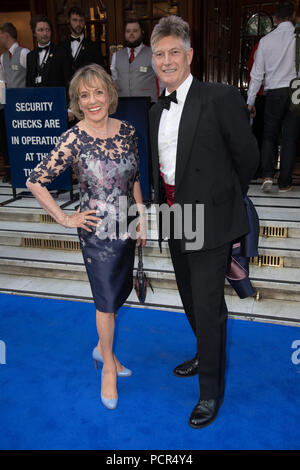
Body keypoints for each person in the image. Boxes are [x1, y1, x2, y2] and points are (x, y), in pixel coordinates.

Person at [150, 15, 259, 428]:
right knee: (189, 296)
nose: (166, 60)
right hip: (175, 215)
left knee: (210, 304)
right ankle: (203, 353)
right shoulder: (155, 107)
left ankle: (211, 392)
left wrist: (222, 199)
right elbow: (163, 169)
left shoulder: (220, 97)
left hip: (209, 218)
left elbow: (247, 158)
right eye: (159, 54)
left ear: (189, 54)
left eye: (174, 52)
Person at [26, 64, 146, 410]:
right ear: (77, 103)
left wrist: (141, 216)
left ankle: (101, 346)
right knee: (105, 301)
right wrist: (65, 217)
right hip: (95, 233)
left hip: (124, 225)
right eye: (84, 95)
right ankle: (108, 364)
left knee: (118, 295)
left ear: (109, 93)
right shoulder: (73, 138)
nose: (93, 101)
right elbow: (35, 180)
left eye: (98, 92)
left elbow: (135, 175)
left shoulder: (128, 131)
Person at [247, 1, 300, 193]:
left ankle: (267, 175)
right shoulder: (298, 38)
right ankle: (285, 181)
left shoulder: (266, 41)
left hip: (273, 93)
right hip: (295, 92)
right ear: (293, 15)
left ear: (275, 19)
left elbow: (256, 75)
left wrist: (250, 101)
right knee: (290, 137)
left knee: (269, 135)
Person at [0, 22, 30, 182]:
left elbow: (30, 78)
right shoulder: (2, 58)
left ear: (6, 34)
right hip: (10, 107)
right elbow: (2, 82)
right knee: (13, 140)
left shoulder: (24, 53)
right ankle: (14, 171)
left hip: (25, 106)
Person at [111, 19, 160, 103]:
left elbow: (161, 79)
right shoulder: (116, 56)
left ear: (142, 32)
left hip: (148, 103)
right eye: (128, 31)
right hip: (123, 103)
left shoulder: (153, 54)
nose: (131, 34)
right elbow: (114, 79)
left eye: (135, 31)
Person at [26, 15, 71, 91]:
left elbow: (68, 80)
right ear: (34, 33)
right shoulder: (30, 56)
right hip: (37, 100)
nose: (45, 33)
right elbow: (29, 83)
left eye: (48, 30)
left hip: (57, 98)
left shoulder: (61, 52)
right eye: (40, 30)